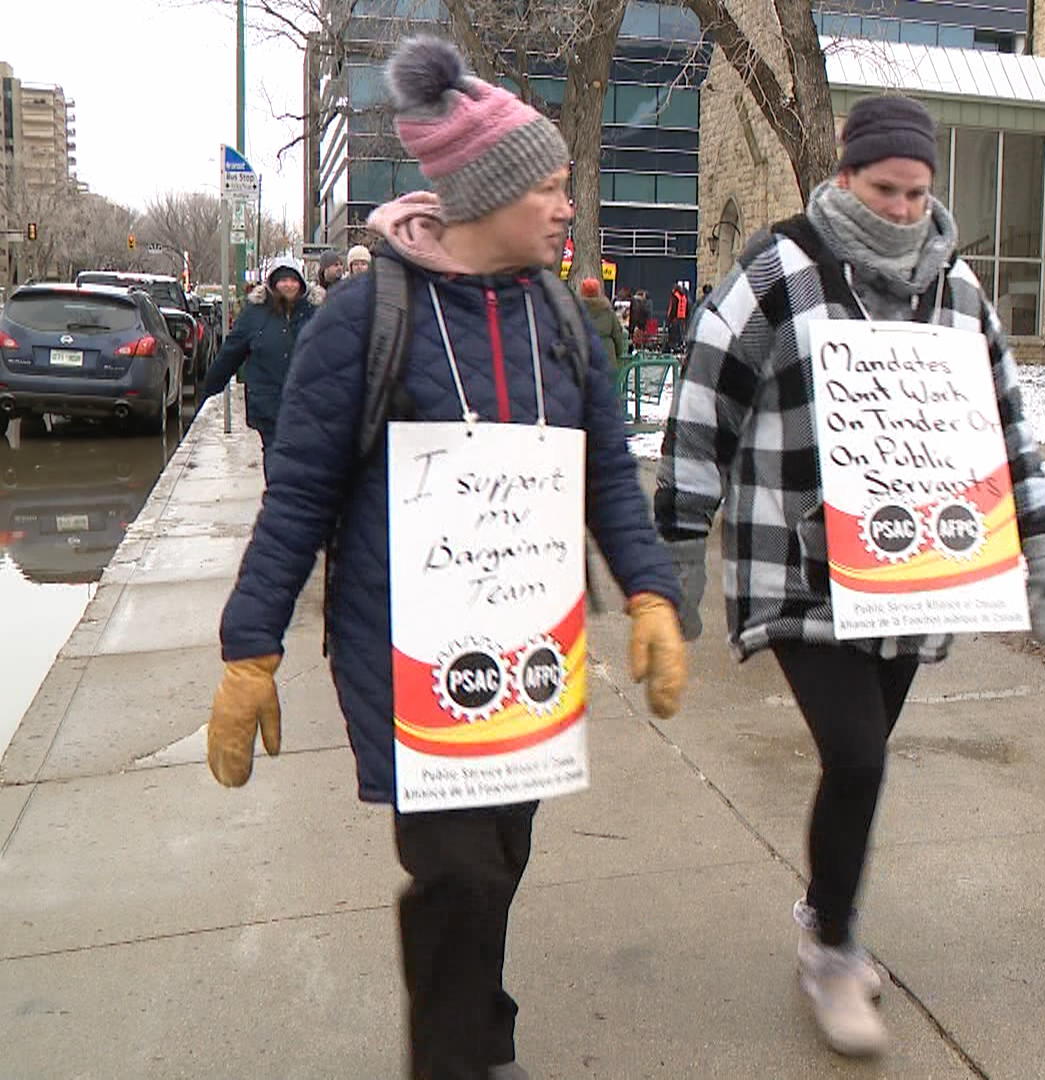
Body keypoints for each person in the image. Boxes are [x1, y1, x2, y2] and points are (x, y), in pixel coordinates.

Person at [201, 36, 688, 1080]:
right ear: (483, 194)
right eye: (550, 189)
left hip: (527, 654)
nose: (567, 208)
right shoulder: (362, 318)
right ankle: (454, 1060)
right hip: (405, 659)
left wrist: (651, 590)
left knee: (501, 859)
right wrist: (251, 651)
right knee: (456, 873)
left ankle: (481, 1027)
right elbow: (298, 501)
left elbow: (606, 469)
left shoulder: (560, 314)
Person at [655, 94, 1045, 1057]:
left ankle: (823, 906)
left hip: (918, 571)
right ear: (845, 177)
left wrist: (1040, 543)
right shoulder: (777, 270)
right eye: (884, 188)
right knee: (858, 757)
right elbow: (702, 404)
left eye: (918, 192)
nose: (901, 207)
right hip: (798, 566)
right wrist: (674, 552)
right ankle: (832, 948)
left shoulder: (959, 292)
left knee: (860, 764)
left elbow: (1009, 428)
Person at [201, 256, 318, 469]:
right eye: (283, 280)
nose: (288, 285)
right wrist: (210, 386)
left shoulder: (314, 313)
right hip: (268, 403)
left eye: (293, 280)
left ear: (301, 283)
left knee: (303, 461)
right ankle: (278, 497)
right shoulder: (255, 314)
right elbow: (232, 352)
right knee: (275, 459)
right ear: (273, 284)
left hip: (306, 404)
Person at [578, 276, 629, 361]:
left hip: (585, 358)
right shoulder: (608, 311)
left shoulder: (576, 311)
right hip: (606, 357)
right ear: (599, 292)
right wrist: (619, 353)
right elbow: (617, 334)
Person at [665, 279, 689, 350]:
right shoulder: (684, 297)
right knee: (681, 334)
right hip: (682, 318)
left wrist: (669, 320)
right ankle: (680, 346)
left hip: (675, 318)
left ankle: (673, 347)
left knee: (673, 335)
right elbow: (687, 308)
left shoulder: (675, 296)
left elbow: (672, 308)